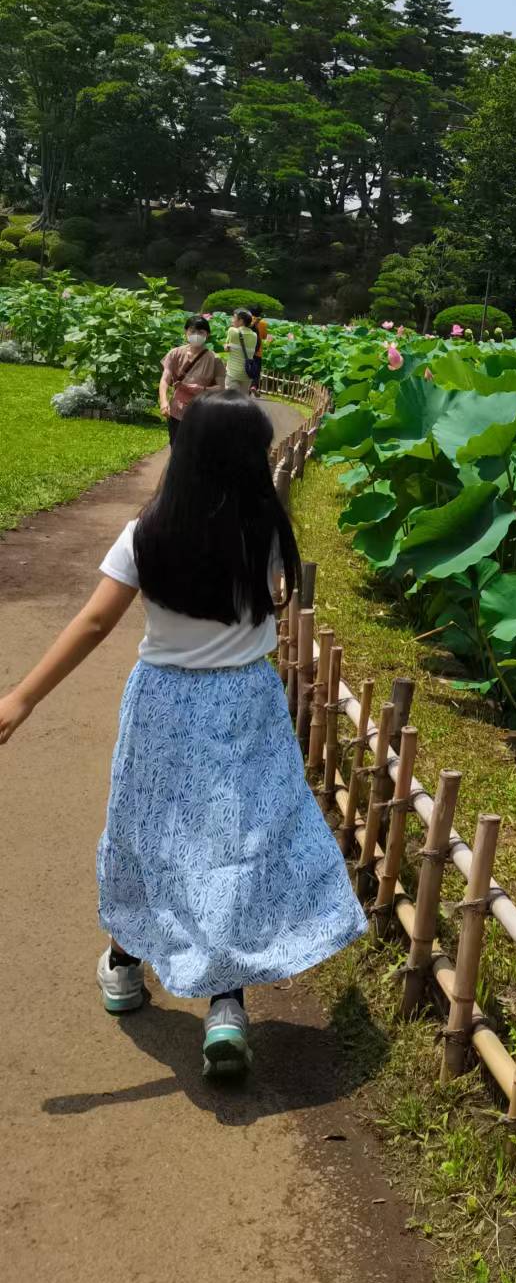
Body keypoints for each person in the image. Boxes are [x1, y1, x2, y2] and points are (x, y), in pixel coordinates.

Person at [0, 393, 366, 1078]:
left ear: (186, 454)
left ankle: (124, 964)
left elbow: (93, 624)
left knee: (151, 835)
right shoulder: (268, 532)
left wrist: (21, 699)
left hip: (163, 705)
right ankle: (226, 1005)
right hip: (246, 703)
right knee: (236, 843)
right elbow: (275, 598)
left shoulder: (146, 534)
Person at [159, 315, 225, 443]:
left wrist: (202, 389)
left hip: (202, 412)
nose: (196, 335)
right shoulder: (175, 354)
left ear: (207, 334)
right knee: (176, 447)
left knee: (197, 451)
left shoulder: (215, 359)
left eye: (200, 332)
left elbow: (221, 388)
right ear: (186, 332)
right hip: (177, 411)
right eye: (192, 331)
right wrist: (164, 401)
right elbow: (165, 379)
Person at [224, 308, 256, 394]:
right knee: (242, 401)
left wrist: (227, 346)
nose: (232, 320)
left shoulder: (232, 331)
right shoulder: (254, 335)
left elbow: (226, 348)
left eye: (234, 318)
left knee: (230, 400)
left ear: (241, 321)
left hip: (233, 373)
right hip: (247, 373)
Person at [247, 306, 270, 396]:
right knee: (256, 371)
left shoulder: (247, 320)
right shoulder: (263, 323)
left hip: (248, 349)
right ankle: (253, 386)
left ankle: (246, 388)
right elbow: (264, 336)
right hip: (258, 351)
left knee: (247, 369)